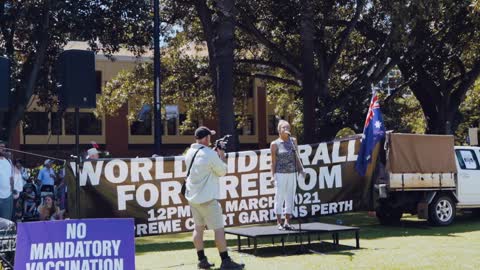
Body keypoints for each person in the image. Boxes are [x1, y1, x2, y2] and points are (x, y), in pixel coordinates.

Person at [185, 126, 244, 270]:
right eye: (209, 137)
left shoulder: (190, 152)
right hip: (208, 199)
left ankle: (202, 260)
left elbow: (203, 163)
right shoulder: (209, 154)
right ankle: (225, 261)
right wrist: (221, 153)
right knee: (218, 229)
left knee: (198, 229)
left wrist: (213, 153)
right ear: (205, 138)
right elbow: (223, 171)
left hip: (193, 198)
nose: (210, 140)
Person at [270, 120, 305, 230]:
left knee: (290, 197)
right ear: (279, 130)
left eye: (288, 128)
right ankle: (279, 222)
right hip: (280, 174)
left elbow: (297, 157)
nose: (286, 130)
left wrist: (301, 169)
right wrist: (272, 176)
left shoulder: (293, 141)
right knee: (279, 197)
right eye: (284, 128)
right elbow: (273, 162)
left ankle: (287, 222)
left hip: (292, 173)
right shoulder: (275, 144)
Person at [0, 141, 14, 220]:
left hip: (8, 196)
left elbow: (11, 178)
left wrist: (12, 191)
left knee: (6, 221)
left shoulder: (9, 161)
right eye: (0, 147)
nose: (2, 148)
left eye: (3, 147)